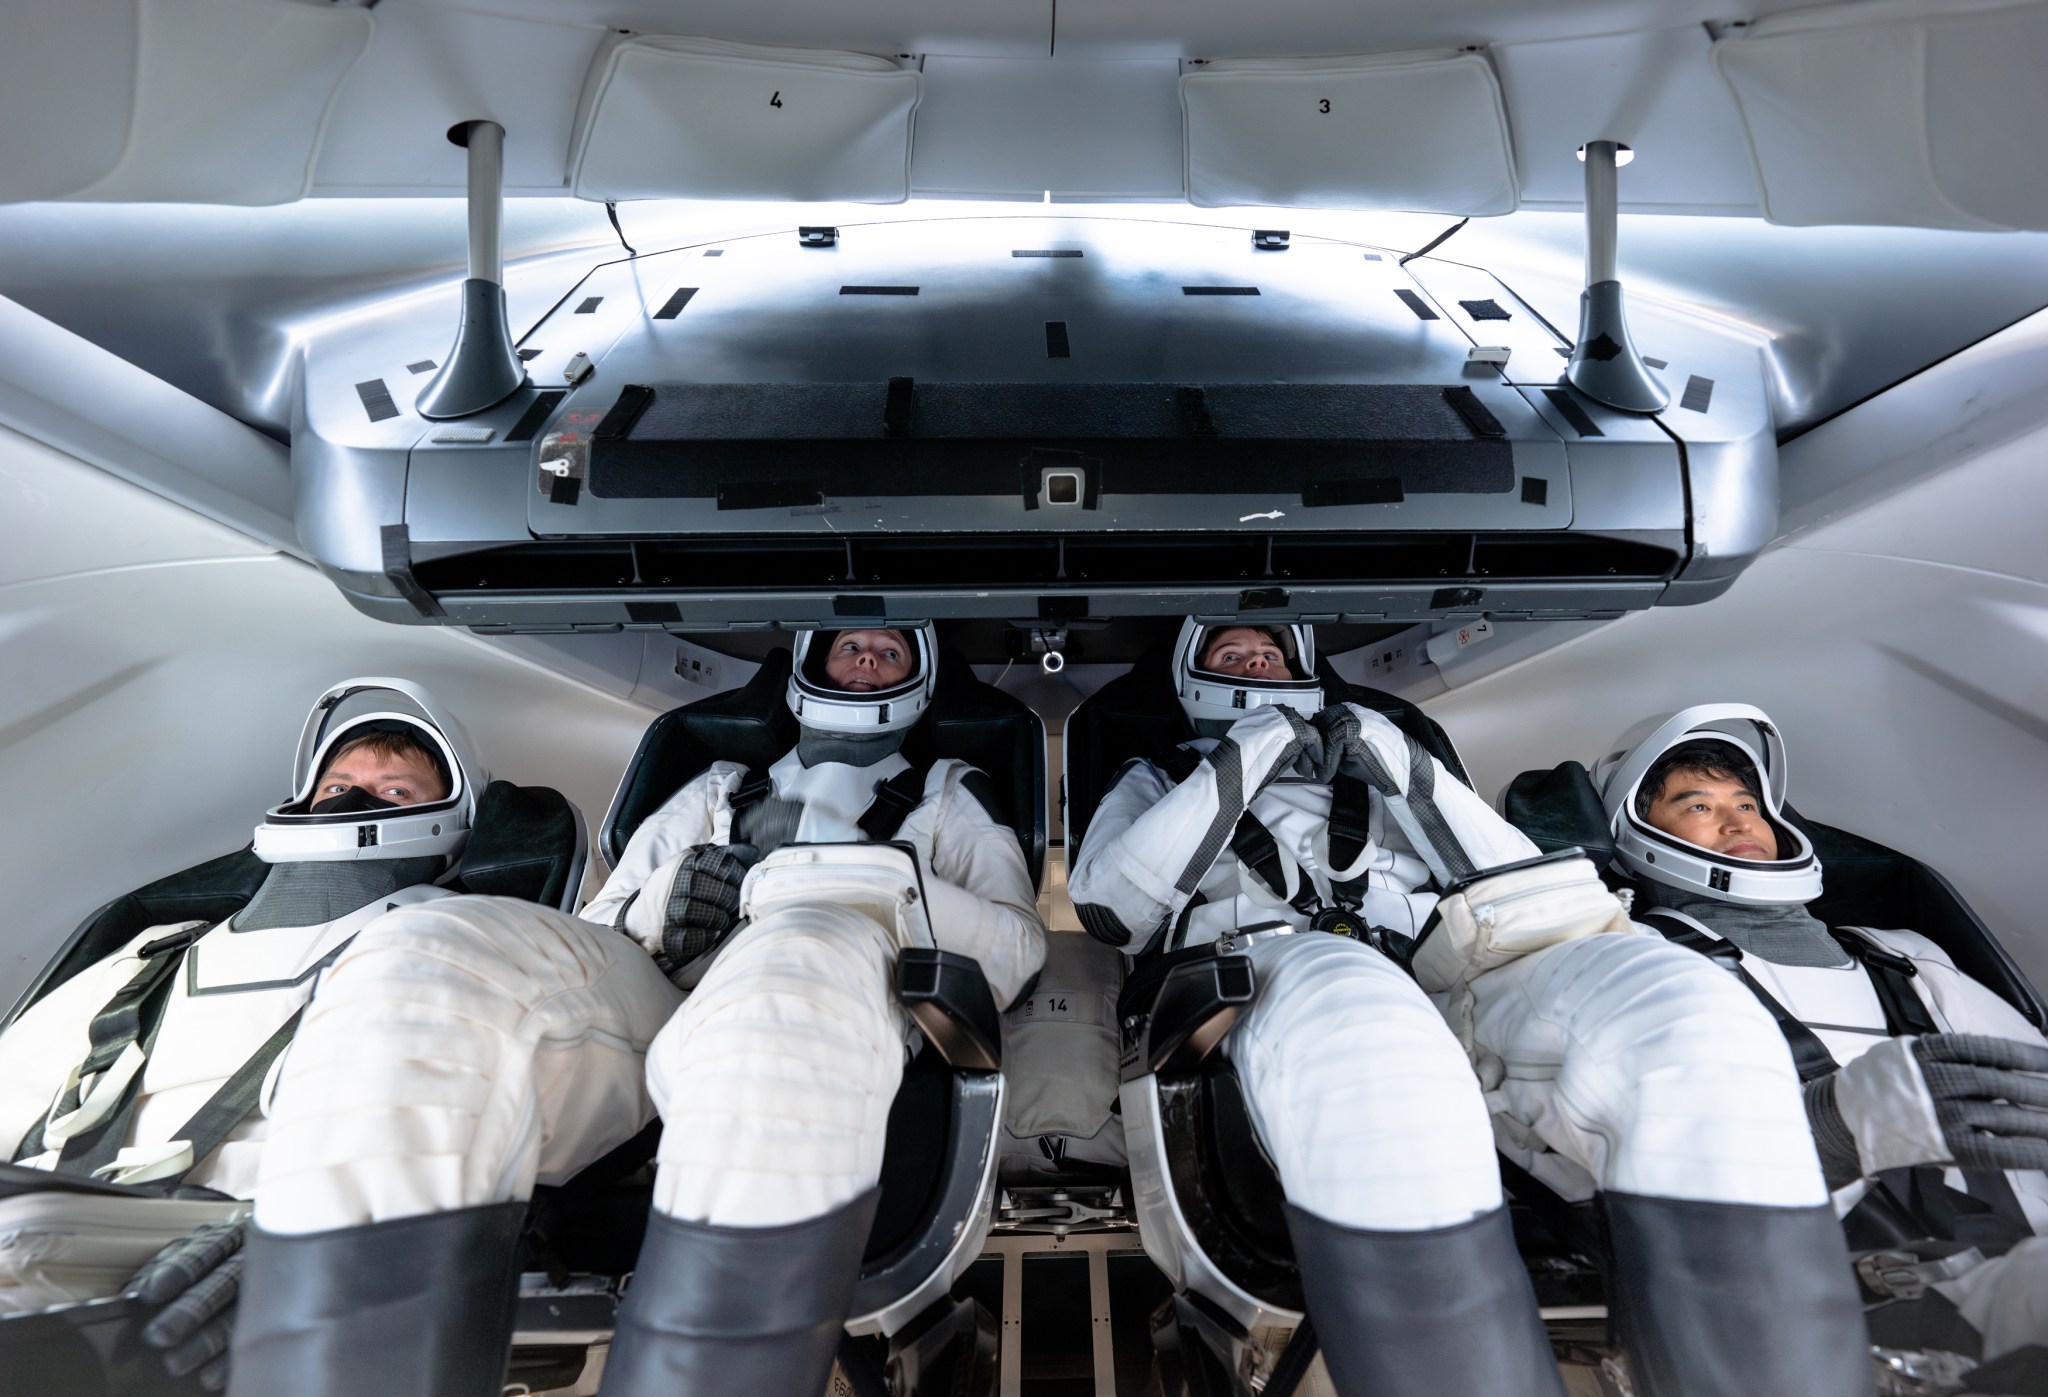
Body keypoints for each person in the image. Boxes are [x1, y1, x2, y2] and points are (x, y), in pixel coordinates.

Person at [220, 627, 1045, 1397]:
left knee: (786, 981)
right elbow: (602, 922)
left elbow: (1016, 943)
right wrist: (671, 900)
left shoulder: (948, 792)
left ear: (920, 677)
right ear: (810, 664)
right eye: (850, 645)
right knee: (427, 948)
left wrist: (859, 883)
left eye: (889, 650)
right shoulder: (722, 784)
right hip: (658, 987)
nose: (865, 660)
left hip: (826, 971)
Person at [1068, 622, 1872, 1397]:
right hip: (1275, 970)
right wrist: (1247, 755)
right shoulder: (1157, 773)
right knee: (1372, 1036)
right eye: (1232, 654)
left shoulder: (1377, 752)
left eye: (1272, 655)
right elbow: (1111, 908)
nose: (1256, 665)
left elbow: (1516, 882)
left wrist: (1404, 768)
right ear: (1193, 677)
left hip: (1451, 968)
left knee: (1681, 1006)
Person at [0, 679, 516, 1386]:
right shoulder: (160, 949)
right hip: (50, 1209)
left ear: (451, 817)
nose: (353, 800)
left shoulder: (456, 942)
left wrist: (301, 1244)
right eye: (337, 785)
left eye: (393, 791)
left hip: (222, 1244)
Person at [1595, 704, 2048, 1390]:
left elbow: (2031, 1078)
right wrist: (1834, 1129)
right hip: (1850, 1307)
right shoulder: (1648, 964)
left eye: (1748, 802)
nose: (1739, 820)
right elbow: (1671, 1169)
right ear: (1638, 831)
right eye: (1698, 803)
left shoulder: (1902, 955)